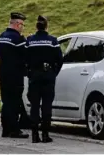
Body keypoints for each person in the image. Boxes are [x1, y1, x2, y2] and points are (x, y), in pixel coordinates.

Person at [25, 15, 63, 143]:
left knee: (34, 106)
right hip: (48, 76)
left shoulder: (29, 40)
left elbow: (24, 59)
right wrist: (53, 73)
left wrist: (29, 73)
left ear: (36, 27)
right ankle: (45, 134)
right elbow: (60, 59)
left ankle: (35, 135)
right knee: (47, 106)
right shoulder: (53, 41)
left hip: (34, 76)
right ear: (46, 26)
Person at [0, 12, 29, 138]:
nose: (22, 28)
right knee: (14, 102)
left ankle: (5, 129)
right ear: (17, 24)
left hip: (3, 73)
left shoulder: (1, 37)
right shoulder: (18, 39)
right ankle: (14, 129)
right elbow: (25, 55)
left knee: (6, 102)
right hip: (15, 74)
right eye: (22, 25)